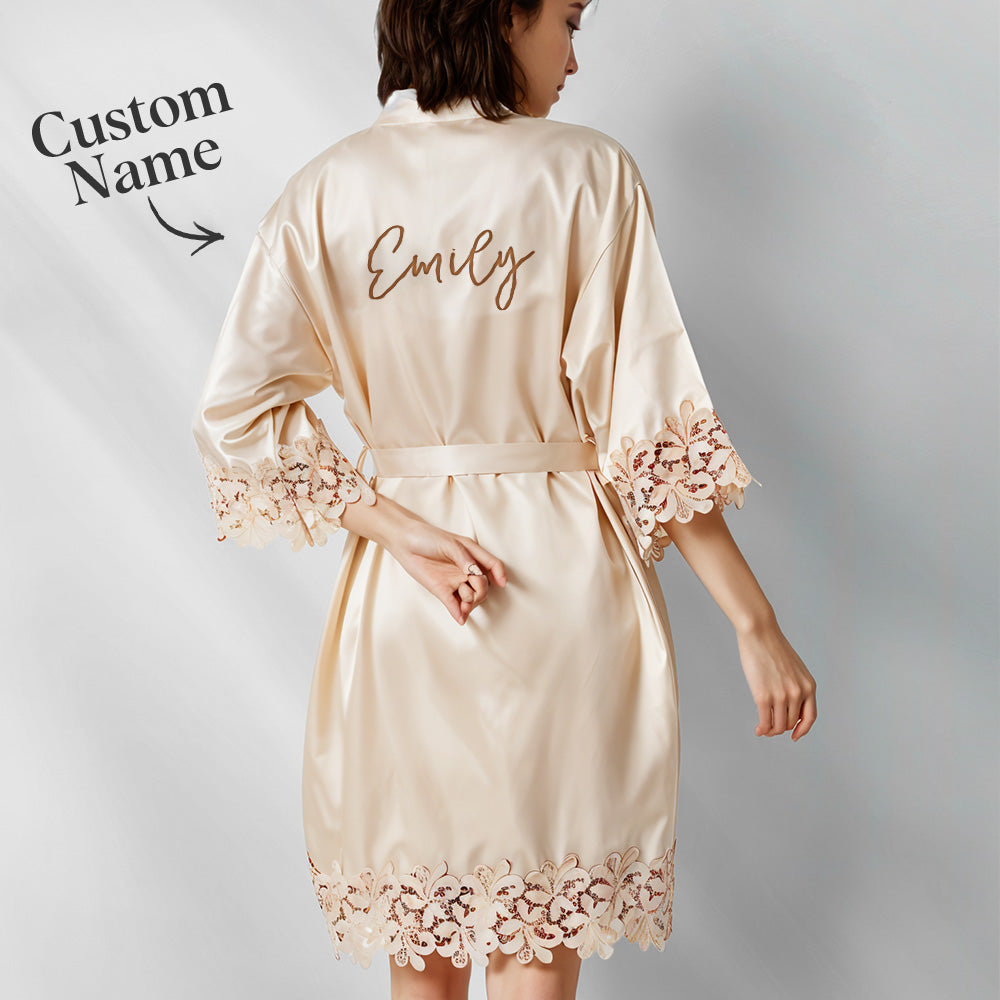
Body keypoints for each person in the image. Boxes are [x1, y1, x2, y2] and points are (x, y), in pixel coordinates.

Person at [191, 1, 818, 998]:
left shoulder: (326, 189)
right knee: (536, 947)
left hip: (408, 601)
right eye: (567, 21)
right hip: (559, 585)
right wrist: (755, 621)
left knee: (423, 951)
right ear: (501, 14)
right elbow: (649, 428)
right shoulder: (585, 173)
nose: (572, 58)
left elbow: (238, 414)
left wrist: (396, 525)